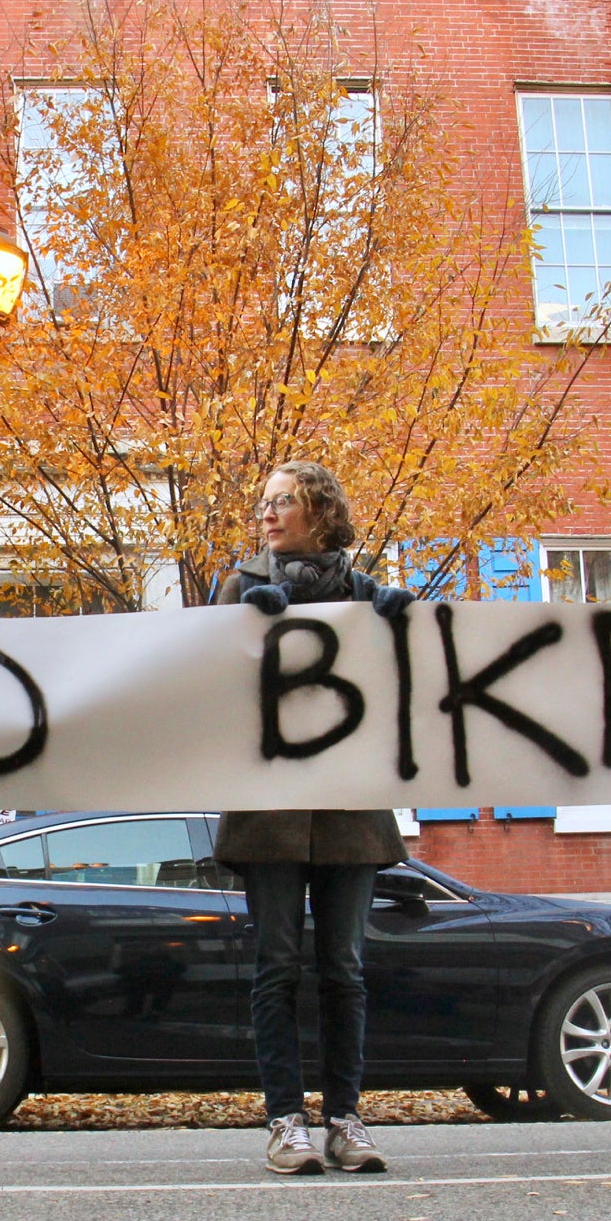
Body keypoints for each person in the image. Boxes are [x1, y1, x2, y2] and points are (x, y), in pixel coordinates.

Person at [210, 461, 413, 1176]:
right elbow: (204, 675)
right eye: (263, 502)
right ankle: (285, 1119)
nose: (267, 513)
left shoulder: (367, 597)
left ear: (320, 512)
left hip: (349, 808)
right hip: (269, 810)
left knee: (345, 969)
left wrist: (401, 628)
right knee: (277, 966)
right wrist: (235, 623)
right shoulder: (240, 585)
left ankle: (347, 1118)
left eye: (283, 502)